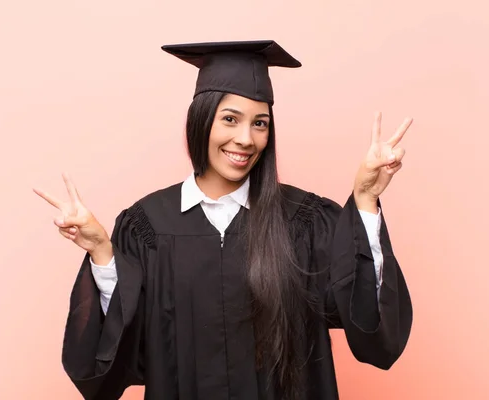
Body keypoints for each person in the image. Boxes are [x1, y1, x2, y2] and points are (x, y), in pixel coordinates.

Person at [34, 40, 413, 400]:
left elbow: (361, 315)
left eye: (260, 123)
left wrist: (365, 199)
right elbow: (125, 346)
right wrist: (103, 253)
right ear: (201, 121)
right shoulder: (147, 226)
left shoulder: (303, 221)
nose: (245, 139)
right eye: (230, 119)